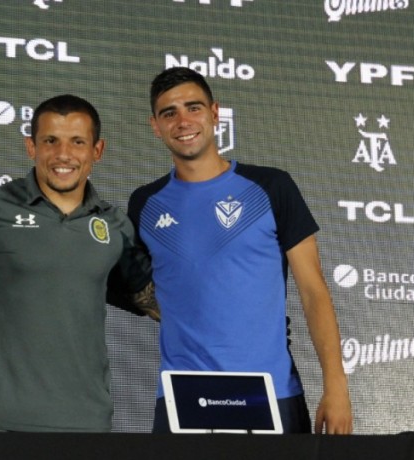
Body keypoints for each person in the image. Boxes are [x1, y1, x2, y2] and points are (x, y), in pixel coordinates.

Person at [0, 94, 158, 432]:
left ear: (97, 151)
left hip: (88, 426)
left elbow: (160, 305)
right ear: (31, 147)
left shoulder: (115, 225)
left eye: (77, 142)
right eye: (50, 141)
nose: (63, 155)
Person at [128, 67, 353, 434]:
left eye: (193, 107)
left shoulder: (270, 186)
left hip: (270, 393)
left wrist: (337, 385)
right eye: (169, 113)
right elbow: (153, 290)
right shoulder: (145, 204)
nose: (183, 121)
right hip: (183, 398)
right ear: (155, 125)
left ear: (215, 113)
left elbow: (314, 293)